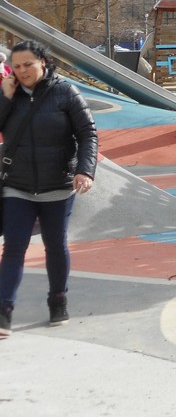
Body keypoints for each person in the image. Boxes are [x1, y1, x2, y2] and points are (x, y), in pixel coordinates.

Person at [0, 39, 98, 337]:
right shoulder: (8, 93)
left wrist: (84, 170)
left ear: (43, 61)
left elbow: (87, 133)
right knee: (14, 247)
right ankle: (4, 311)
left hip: (57, 185)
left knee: (55, 245)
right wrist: (5, 98)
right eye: (16, 66)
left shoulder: (65, 92)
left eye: (28, 64)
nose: (22, 71)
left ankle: (58, 299)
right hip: (17, 185)